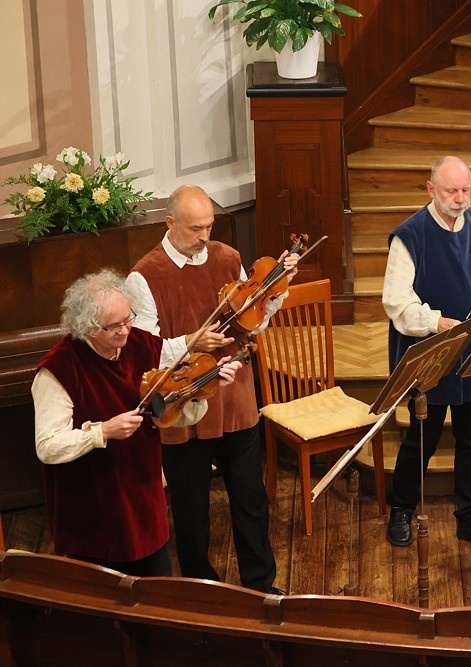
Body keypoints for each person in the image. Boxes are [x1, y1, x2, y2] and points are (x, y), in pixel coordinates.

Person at [125, 184, 297, 593]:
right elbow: (142, 351)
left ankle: (261, 585)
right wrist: (190, 343)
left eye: (209, 227)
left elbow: (251, 321)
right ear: (170, 223)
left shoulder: (228, 257)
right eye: (195, 229)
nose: (205, 237)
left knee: (251, 499)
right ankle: (200, 590)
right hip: (183, 402)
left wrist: (274, 291)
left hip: (235, 395)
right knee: (191, 509)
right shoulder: (144, 276)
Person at [32, 269, 240, 577]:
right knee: (102, 598)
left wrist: (200, 389)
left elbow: (167, 414)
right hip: (92, 510)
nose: (124, 331)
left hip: (143, 496)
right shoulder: (58, 369)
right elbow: (47, 447)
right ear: (86, 326)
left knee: (155, 591)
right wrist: (103, 431)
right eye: (112, 326)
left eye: (128, 319)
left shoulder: (139, 343)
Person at [382, 155, 471, 553]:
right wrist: (436, 322)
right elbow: (396, 302)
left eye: (466, 190)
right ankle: (402, 507)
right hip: (430, 351)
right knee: (423, 436)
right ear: (431, 189)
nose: (460, 198)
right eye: (451, 190)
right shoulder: (410, 236)